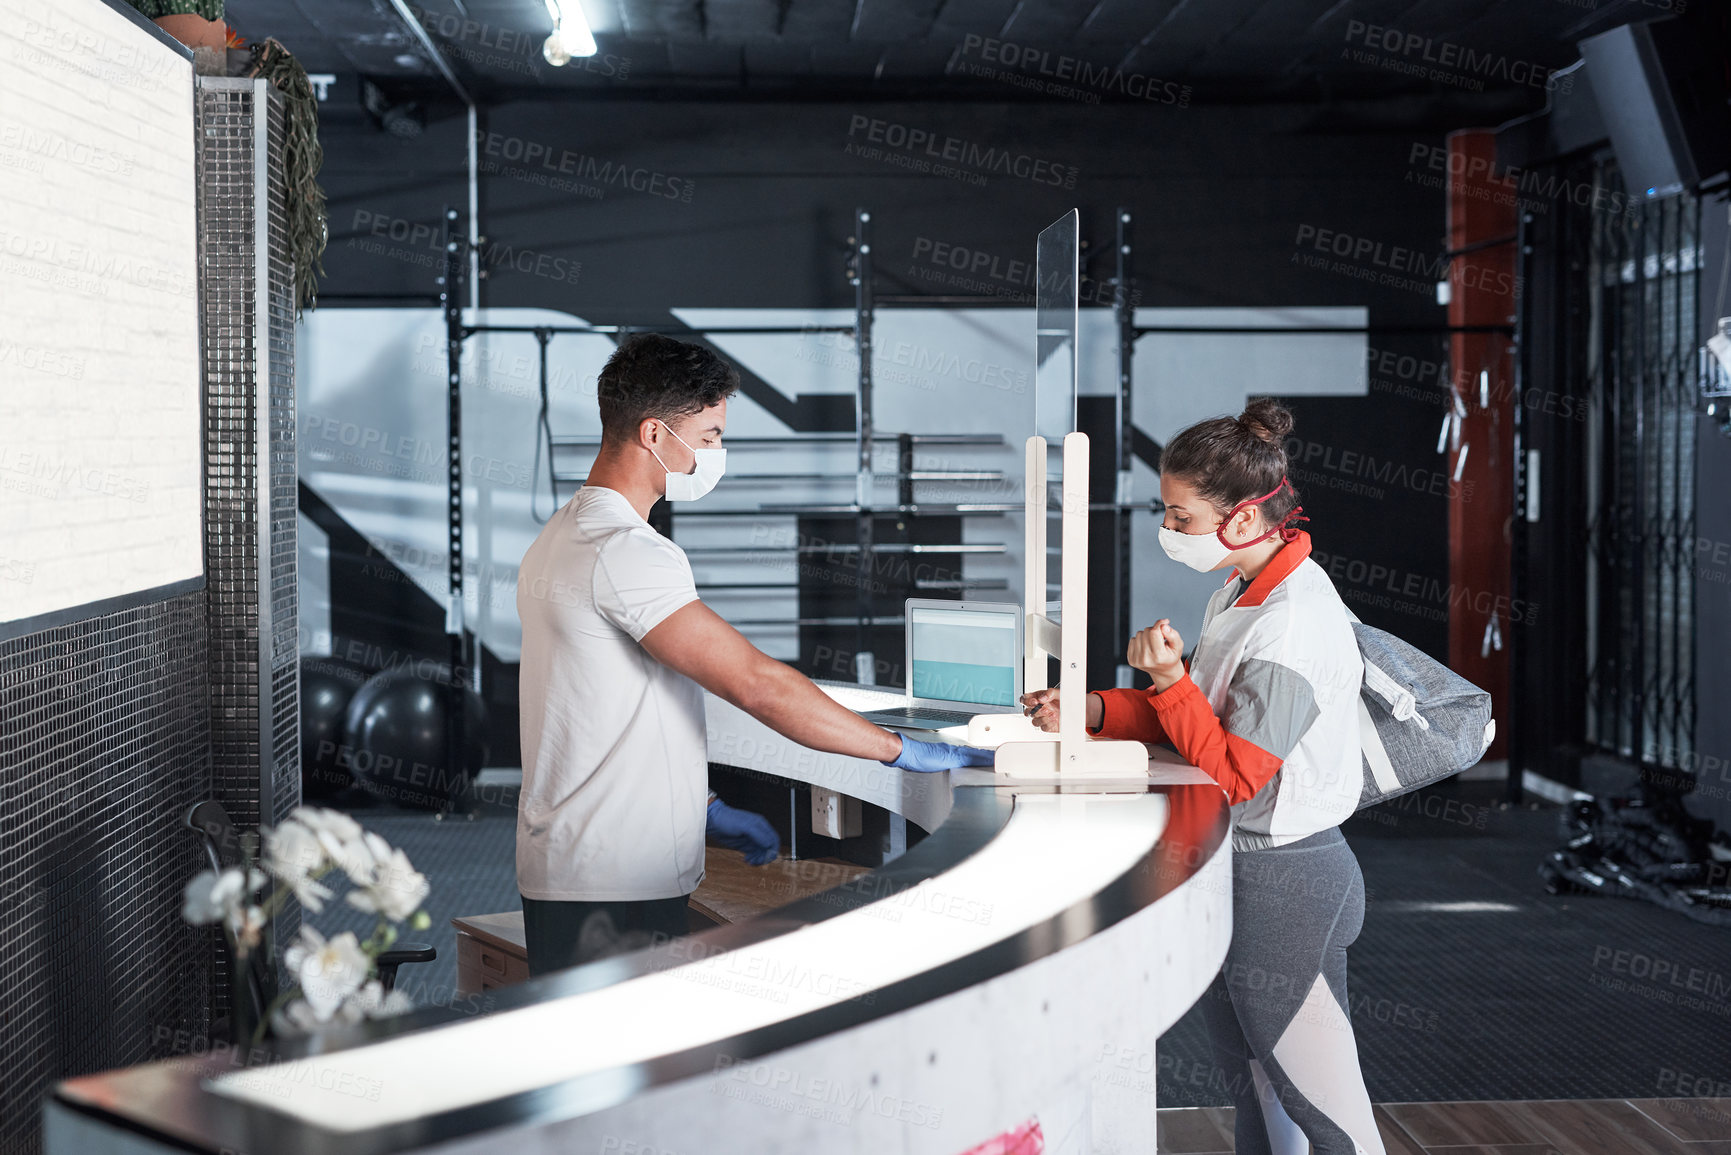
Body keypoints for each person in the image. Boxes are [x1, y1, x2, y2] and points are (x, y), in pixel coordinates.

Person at [515, 333, 990, 977]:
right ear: (655, 436)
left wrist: (702, 809)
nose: (716, 453)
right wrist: (899, 749)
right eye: (709, 436)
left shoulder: (568, 531)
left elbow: (600, 704)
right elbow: (757, 683)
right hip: (615, 880)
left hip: (589, 864)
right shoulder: (626, 550)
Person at [1020, 398, 1385, 1155]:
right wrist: (1090, 707)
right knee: (1257, 1091)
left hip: (1285, 879)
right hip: (1245, 870)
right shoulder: (1240, 592)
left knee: (1326, 1113)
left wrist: (1164, 680)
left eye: (1179, 516)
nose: (1167, 529)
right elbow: (1199, 717)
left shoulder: (1292, 621)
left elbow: (1237, 771)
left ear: (1245, 519)